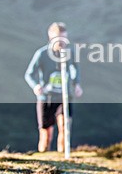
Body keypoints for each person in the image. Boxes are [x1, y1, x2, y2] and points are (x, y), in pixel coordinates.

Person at [24, 22, 83, 153]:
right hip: (46, 98)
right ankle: (44, 157)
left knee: (65, 127)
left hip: (64, 97)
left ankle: (63, 156)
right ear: (51, 37)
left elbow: (75, 69)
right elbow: (29, 74)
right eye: (59, 38)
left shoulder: (70, 53)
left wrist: (76, 84)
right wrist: (36, 86)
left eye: (64, 38)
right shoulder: (42, 54)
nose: (62, 42)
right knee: (46, 134)